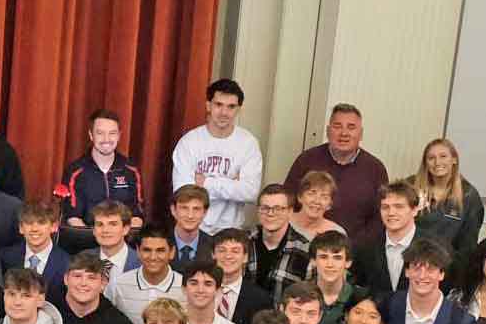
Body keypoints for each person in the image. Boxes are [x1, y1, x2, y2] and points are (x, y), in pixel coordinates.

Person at [282, 103, 388, 245]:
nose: (344, 133)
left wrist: (355, 248)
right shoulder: (307, 160)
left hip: (354, 251)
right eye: (337, 126)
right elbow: (287, 202)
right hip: (304, 246)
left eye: (351, 127)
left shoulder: (375, 168)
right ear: (327, 131)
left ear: (361, 134)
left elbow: (380, 217)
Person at [168, 78, 262, 234]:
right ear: (208, 106)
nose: (224, 112)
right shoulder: (189, 142)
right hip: (194, 231)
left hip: (232, 232)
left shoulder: (248, 143)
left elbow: (250, 192)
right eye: (219, 105)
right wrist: (232, 184)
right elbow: (183, 194)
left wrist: (206, 182)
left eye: (231, 106)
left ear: (238, 109)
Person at [55, 108, 146, 234]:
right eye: (100, 133)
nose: (106, 139)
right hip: (87, 243)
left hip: (124, 241)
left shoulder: (131, 170)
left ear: (119, 135)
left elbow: (137, 215)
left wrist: (118, 238)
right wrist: (99, 238)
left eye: (112, 133)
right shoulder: (75, 172)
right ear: (91, 135)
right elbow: (73, 217)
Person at [409, 138, 484, 253]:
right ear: (425, 163)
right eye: (431, 158)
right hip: (410, 260)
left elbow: (468, 245)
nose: (437, 162)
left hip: (447, 265)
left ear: (454, 159)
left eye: (443, 156)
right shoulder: (411, 187)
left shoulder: (469, 196)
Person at [111, 225, 189, 324]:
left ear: (172, 252)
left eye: (160, 251)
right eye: (147, 250)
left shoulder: (186, 286)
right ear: (138, 251)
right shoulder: (118, 284)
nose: (153, 257)